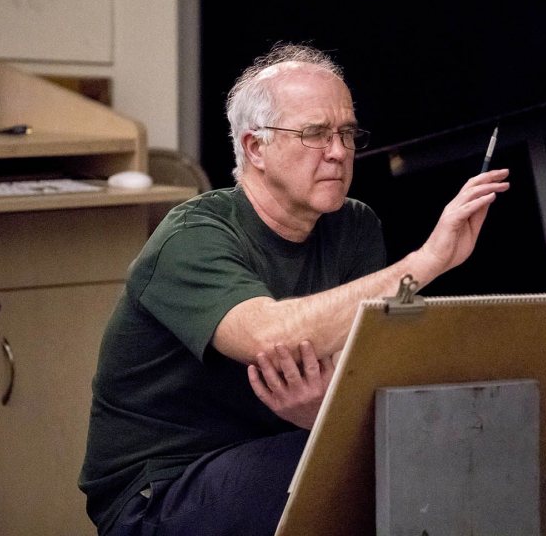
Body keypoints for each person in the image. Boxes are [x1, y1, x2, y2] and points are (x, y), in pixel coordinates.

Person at [79, 43, 509, 536]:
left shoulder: (353, 227)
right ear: (255, 147)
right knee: (357, 472)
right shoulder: (191, 237)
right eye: (315, 134)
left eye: (347, 133)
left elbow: (355, 380)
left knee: (433, 451)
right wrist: (427, 263)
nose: (340, 151)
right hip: (159, 492)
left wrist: (324, 412)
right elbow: (268, 338)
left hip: (279, 452)